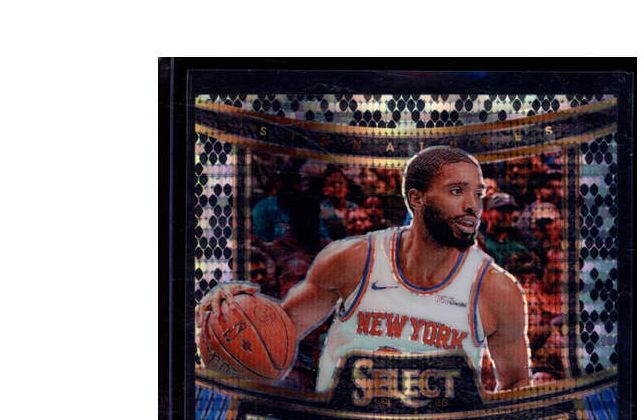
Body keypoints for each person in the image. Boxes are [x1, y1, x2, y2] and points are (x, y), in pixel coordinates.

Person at [197, 146, 533, 393]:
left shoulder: (498, 290)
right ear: (416, 199)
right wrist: (231, 312)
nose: (472, 205)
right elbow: (277, 337)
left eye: (478, 193)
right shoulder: (353, 260)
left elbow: (517, 385)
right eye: (457, 191)